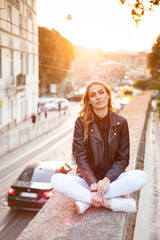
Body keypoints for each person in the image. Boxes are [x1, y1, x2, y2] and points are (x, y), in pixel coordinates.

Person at [51, 80, 147, 215]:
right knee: (56, 180)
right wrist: (93, 184)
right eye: (93, 95)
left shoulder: (121, 122)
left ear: (108, 95)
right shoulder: (81, 122)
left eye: (101, 92)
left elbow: (123, 158)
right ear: (89, 101)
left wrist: (107, 179)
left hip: (113, 181)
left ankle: (86, 201)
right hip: (88, 182)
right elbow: (80, 156)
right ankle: (109, 202)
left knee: (141, 176)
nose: (98, 97)